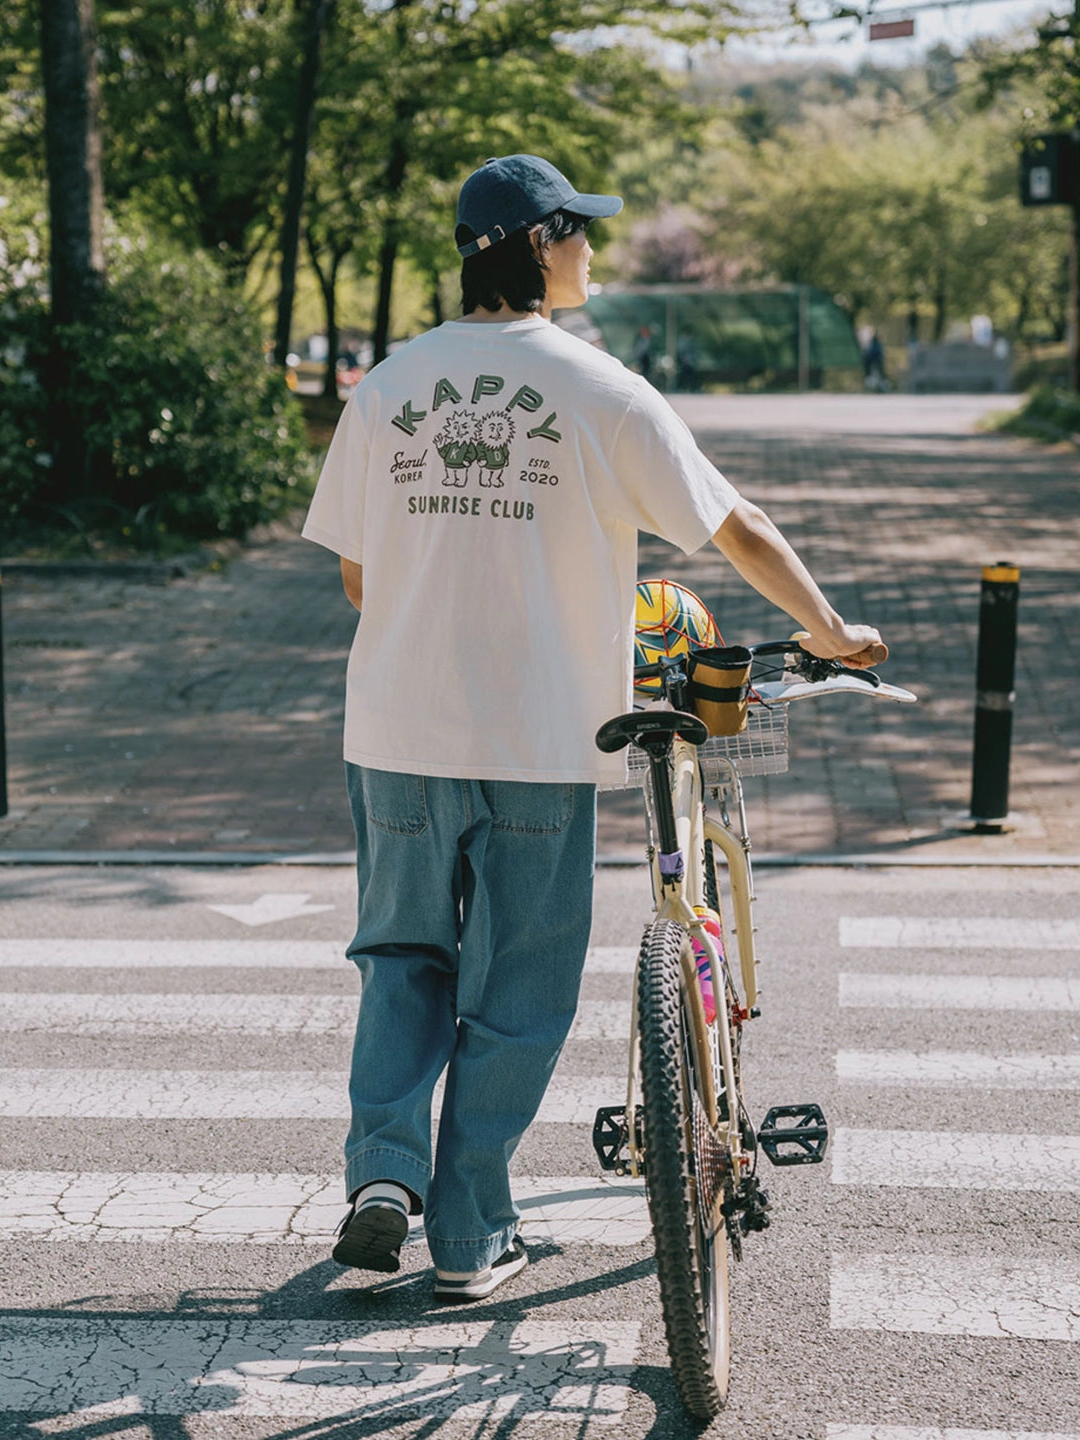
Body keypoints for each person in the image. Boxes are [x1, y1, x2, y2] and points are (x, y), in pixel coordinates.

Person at [302, 153, 885, 1304]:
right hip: (539, 739)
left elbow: (361, 584)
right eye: (581, 234)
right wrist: (827, 628)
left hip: (396, 735)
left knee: (401, 960)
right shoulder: (601, 390)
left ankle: (382, 1176)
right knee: (516, 992)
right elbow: (733, 521)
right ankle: (468, 1236)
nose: (592, 254)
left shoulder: (386, 388)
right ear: (541, 243)